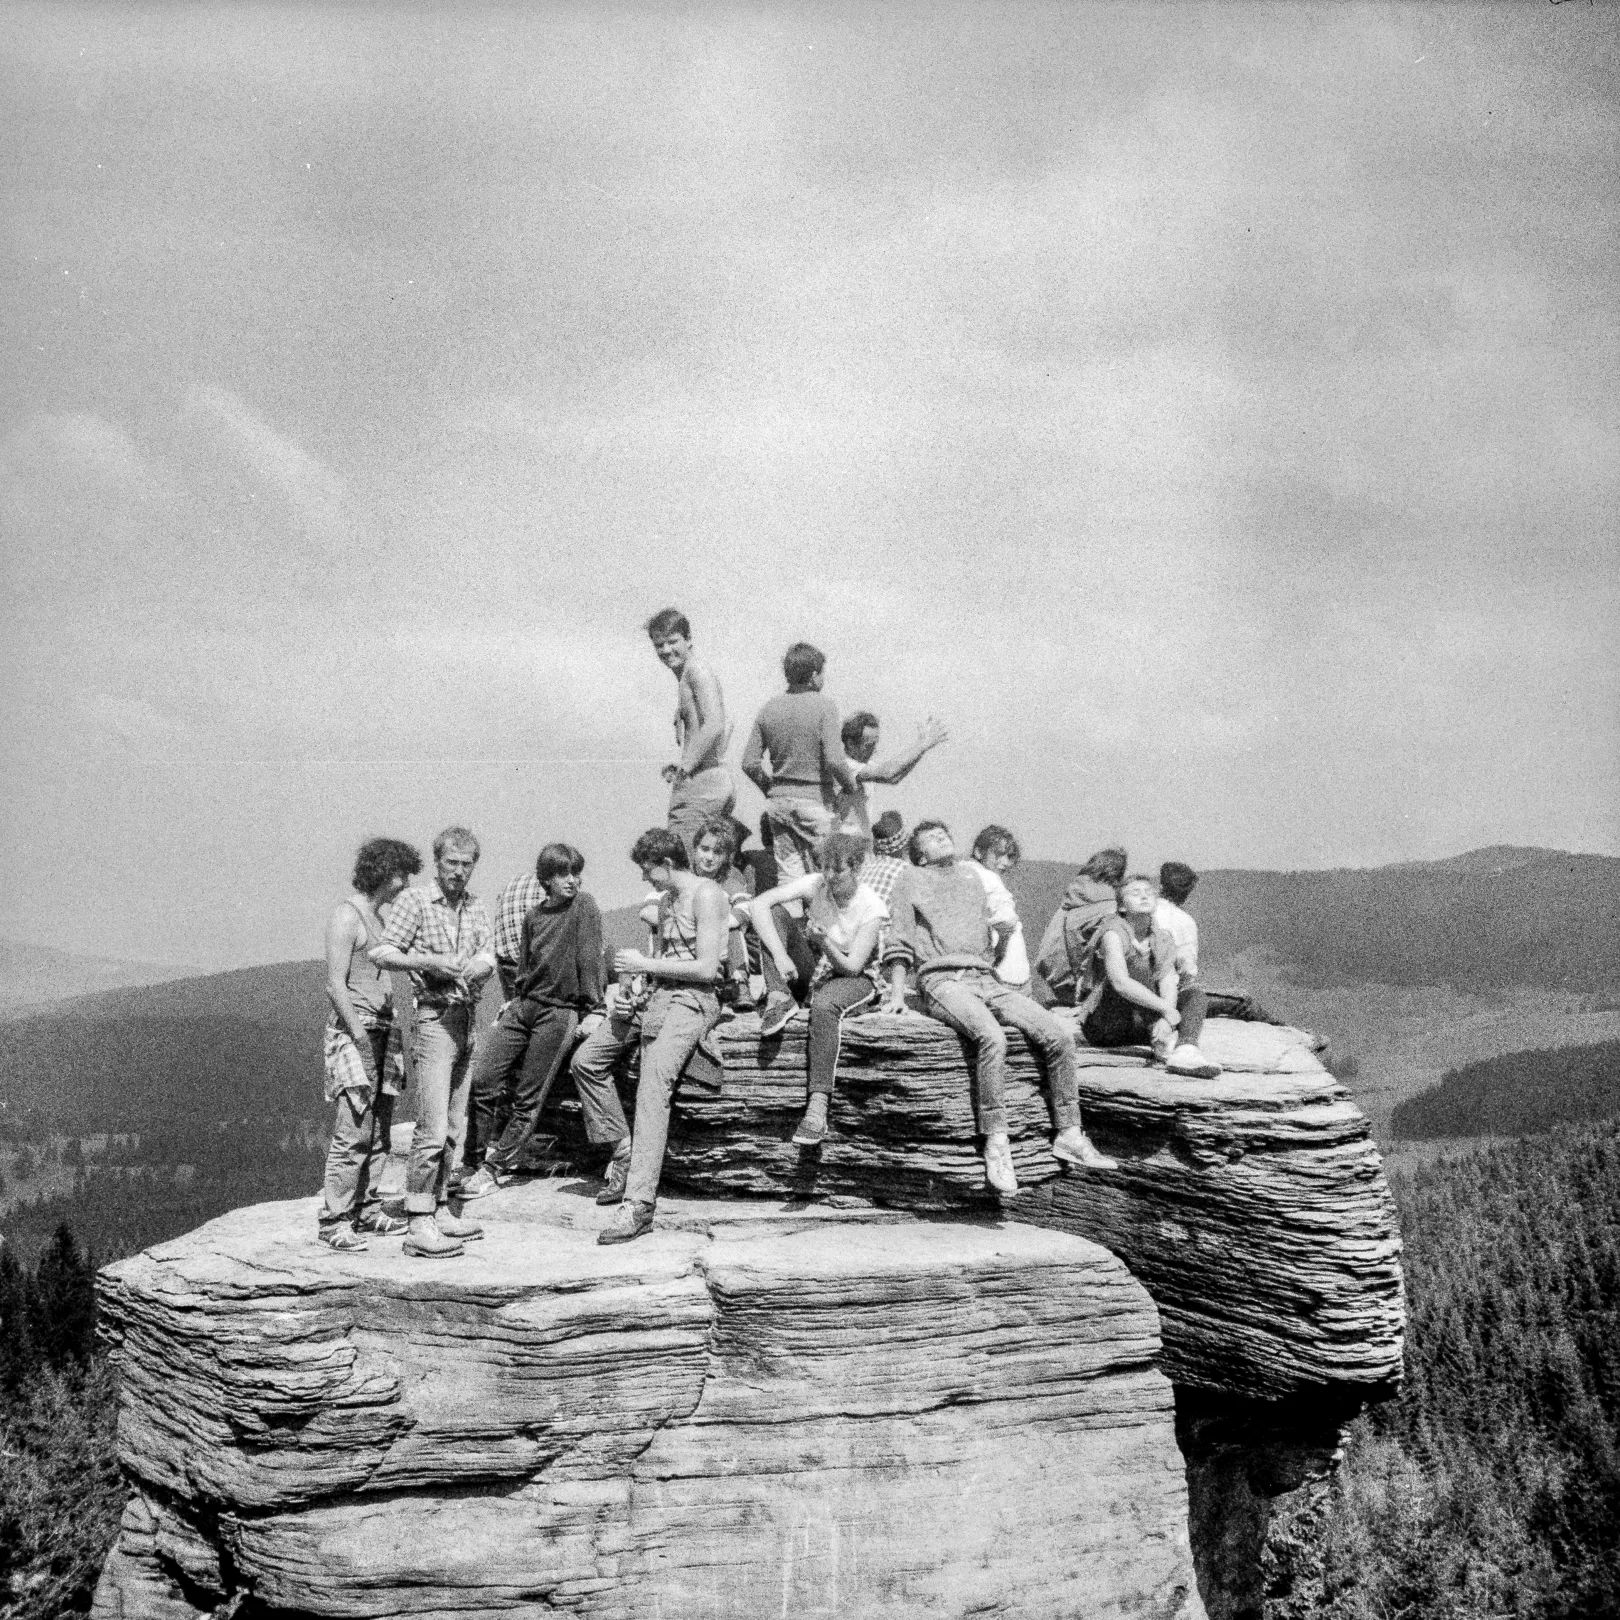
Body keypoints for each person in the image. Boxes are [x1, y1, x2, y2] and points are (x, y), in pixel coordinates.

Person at [881, 819, 1116, 1194]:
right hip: (943, 979)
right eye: (932, 837)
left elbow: (992, 952)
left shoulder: (972, 879)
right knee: (992, 1037)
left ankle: (1070, 1133)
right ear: (919, 855)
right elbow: (900, 939)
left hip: (986, 978)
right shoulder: (910, 878)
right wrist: (897, 995)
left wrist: (1002, 942)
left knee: (1058, 1036)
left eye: (945, 833)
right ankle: (996, 1142)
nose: (942, 837)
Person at [568, 829, 729, 1245]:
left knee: (653, 1085)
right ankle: (622, 1149)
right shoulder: (669, 899)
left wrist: (645, 963)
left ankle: (639, 1203)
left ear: (668, 864)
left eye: (648, 870)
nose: (645, 878)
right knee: (586, 1060)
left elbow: (707, 968)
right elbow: (665, 960)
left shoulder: (707, 895)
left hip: (693, 999)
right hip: (658, 995)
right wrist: (633, 991)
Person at [370, 826, 496, 1258]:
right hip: (433, 1018)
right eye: (451, 863)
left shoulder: (475, 905)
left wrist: (481, 966)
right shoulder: (416, 901)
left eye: (467, 864)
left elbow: (487, 951)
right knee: (433, 1126)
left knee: (455, 1124)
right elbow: (382, 952)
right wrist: (429, 962)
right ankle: (418, 1221)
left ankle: (440, 1207)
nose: (459, 871)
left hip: (467, 1018)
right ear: (438, 862)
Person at [460, 844, 607, 1200]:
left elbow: (590, 960)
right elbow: (525, 967)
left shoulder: (583, 906)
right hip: (523, 1005)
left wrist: (596, 1008)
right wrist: (513, 1002)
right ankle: (471, 1161)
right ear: (546, 879)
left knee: (528, 1097)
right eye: (562, 874)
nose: (572, 880)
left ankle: (493, 1170)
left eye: (576, 873)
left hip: (559, 1012)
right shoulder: (533, 917)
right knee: (482, 1081)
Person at [317, 837, 421, 1251]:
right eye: (402, 874)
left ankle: (367, 1209)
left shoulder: (378, 917)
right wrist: (359, 1038)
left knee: (379, 1128)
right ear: (384, 872)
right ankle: (334, 1220)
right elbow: (335, 985)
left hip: (384, 1031)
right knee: (353, 1130)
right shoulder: (347, 916)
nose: (406, 883)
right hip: (355, 1032)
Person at [749, 832, 888, 1144]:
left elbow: (853, 967)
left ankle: (817, 1106)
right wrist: (781, 954)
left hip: (855, 978)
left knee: (825, 1006)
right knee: (775, 913)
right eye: (825, 867)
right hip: (819, 970)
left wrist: (824, 942)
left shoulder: (871, 906)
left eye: (838, 869)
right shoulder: (816, 884)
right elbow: (759, 904)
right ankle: (780, 996)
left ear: (856, 867)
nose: (829, 875)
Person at [1079, 874, 1222, 1078]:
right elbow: (1120, 983)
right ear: (1122, 907)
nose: (1144, 896)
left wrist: (1166, 1020)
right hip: (1107, 1024)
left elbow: (1167, 981)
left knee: (1194, 993)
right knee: (1126, 979)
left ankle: (1185, 1051)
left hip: (1140, 1023)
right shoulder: (1113, 934)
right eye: (1135, 893)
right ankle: (1164, 1043)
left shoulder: (1162, 938)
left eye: (1148, 892)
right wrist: (1166, 1010)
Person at [740, 642, 859, 882]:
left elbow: (749, 763)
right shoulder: (824, 706)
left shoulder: (769, 708)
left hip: (779, 806)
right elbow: (835, 760)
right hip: (815, 803)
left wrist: (772, 789)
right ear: (814, 675)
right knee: (831, 875)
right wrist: (850, 786)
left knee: (789, 879)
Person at [647, 608, 735, 854]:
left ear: (688, 639)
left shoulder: (697, 671)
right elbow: (728, 725)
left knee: (681, 859)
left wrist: (684, 768)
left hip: (702, 786)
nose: (666, 650)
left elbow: (716, 723)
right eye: (659, 645)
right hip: (712, 780)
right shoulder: (687, 676)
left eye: (672, 641)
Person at [1154, 859, 1282, 1025]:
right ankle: (1285, 1030)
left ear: (1161, 885)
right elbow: (1187, 970)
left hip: (1142, 990)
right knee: (1242, 1000)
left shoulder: (1142, 910)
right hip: (1169, 996)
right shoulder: (1183, 921)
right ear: (1187, 892)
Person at [1033, 846, 1129, 1006]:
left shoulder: (1073, 895)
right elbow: (1097, 945)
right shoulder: (1108, 906)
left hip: (1055, 974)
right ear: (1117, 873)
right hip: (1078, 983)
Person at [832, 710, 949, 836]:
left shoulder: (866, 766)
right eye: (869, 745)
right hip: (841, 839)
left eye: (875, 744)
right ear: (850, 743)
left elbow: (895, 778)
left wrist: (923, 749)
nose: (874, 750)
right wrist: (923, 744)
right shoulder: (845, 766)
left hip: (859, 839)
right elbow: (888, 773)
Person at [969, 825, 1031, 992]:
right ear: (979, 852)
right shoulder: (988, 877)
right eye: (998, 854)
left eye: (1008, 856)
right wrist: (1001, 948)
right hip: (1005, 976)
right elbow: (1007, 919)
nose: (1005, 862)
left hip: (998, 974)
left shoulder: (965, 874)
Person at [492, 867, 545, 1003]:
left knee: (514, 1009)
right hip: (536, 969)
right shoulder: (552, 887)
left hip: (507, 965)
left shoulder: (513, 882)